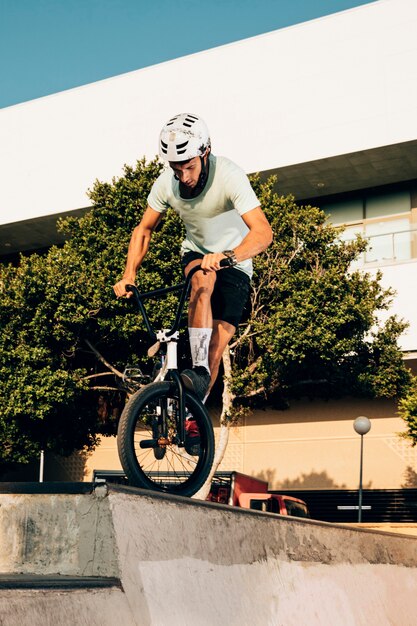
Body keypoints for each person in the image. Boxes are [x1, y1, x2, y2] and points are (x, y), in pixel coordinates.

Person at [113, 112, 273, 401]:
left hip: (237, 260)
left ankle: (193, 413)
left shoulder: (229, 175)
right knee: (202, 278)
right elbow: (144, 230)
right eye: (176, 168)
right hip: (197, 253)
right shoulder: (165, 184)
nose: (183, 177)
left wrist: (229, 255)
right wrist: (129, 274)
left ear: (205, 152)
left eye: (188, 166)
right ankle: (196, 367)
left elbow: (263, 233)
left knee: (217, 347)